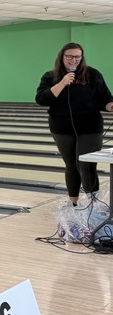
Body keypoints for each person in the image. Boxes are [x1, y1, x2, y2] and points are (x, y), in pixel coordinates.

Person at [35, 42, 113, 208]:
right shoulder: (50, 76)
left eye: (77, 56)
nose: (73, 60)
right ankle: (74, 204)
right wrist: (62, 83)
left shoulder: (92, 74)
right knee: (71, 165)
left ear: (82, 57)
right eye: (69, 56)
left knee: (86, 164)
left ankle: (93, 205)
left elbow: (105, 99)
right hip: (62, 128)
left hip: (90, 127)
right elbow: (42, 99)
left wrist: (111, 106)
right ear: (61, 57)